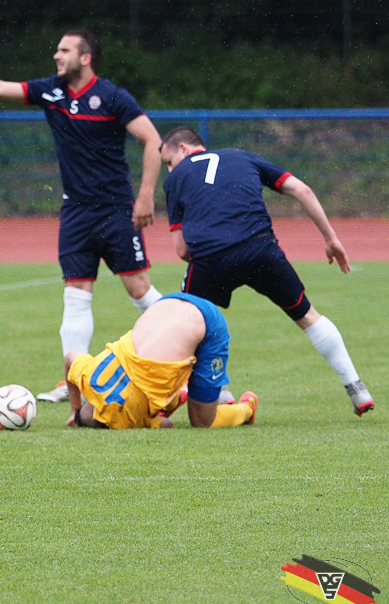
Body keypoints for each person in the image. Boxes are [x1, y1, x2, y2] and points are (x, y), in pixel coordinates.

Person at [0, 28, 163, 403]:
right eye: (57, 50)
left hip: (115, 210)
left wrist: (145, 196)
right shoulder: (51, 91)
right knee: (75, 295)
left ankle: (189, 347)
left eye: (65, 50)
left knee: (138, 289)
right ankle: (76, 385)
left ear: (86, 58)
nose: (57, 56)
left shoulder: (112, 97)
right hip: (75, 212)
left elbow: (153, 141)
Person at [159, 126, 373, 417]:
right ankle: (357, 389)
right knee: (308, 316)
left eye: (169, 161)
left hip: (212, 259)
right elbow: (302, 189)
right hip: (261, 250)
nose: (170, 169)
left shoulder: (176, 179)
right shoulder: (242, 156)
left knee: (193, 323)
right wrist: (330, 238)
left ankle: (220, 393)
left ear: (183, 148)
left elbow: (182, 250)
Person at [65, 292, 258, 429]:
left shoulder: (125, 419)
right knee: (152, 379)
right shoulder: (88, 376)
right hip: (168, 303)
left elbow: (166, 424)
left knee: (203, 421)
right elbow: (70, 357)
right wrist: (75, 411)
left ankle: (247, 410)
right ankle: (178, 395)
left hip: (207, 323)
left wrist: (150, 421)